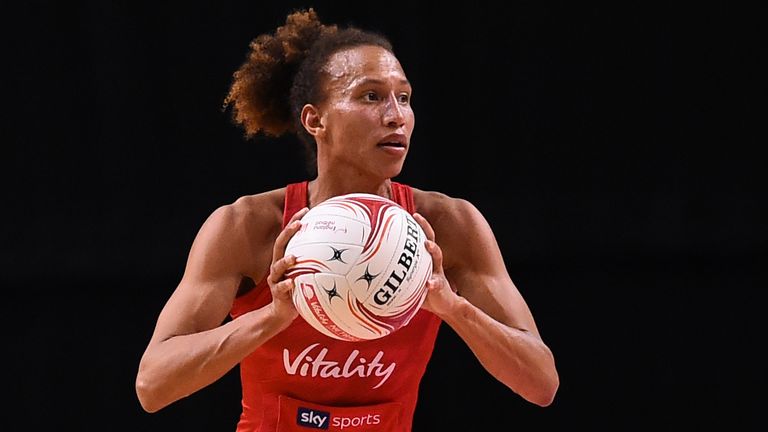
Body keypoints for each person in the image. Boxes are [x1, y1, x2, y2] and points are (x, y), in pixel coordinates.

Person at [135, 8, 559, 431]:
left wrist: (451, 306)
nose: (396, 116)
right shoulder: (249, 227)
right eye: (371, 96)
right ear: (315, 119)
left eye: (405, 97)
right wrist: (271, 317)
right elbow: (153, 385)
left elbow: (541, 383)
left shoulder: (448, 225)